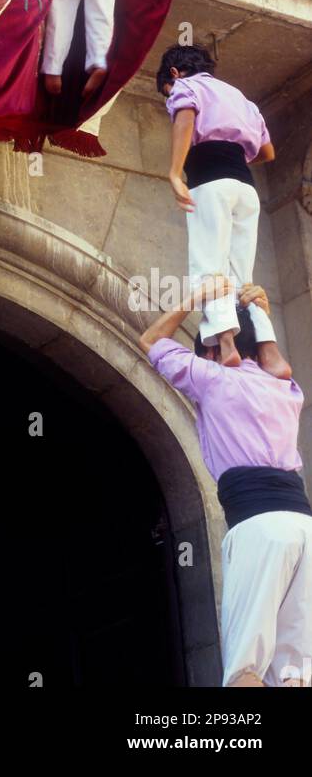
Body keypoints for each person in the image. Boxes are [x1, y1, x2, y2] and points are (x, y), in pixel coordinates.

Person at [140, 282, 310, 688]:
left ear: (210, 351)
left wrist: (193, 300)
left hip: (259, 528)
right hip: (305, 529)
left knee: (244, 670)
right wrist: (256, 315)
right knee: (296, 673)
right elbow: (274, 361)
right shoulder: (287, 390)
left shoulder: (212, 379)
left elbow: (151, 340)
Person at [156, 44, 289, 376]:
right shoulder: (241, 99)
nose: (168, 99)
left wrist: (174, 172)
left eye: (165, 93)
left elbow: (185, 118)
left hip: (209, 184)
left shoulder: (187, 86)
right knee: (242, 277)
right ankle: (269, 350)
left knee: (208, 270)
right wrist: (234, 156)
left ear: (174, 73)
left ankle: (227, 343)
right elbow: (267, 151)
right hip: (245, 189)